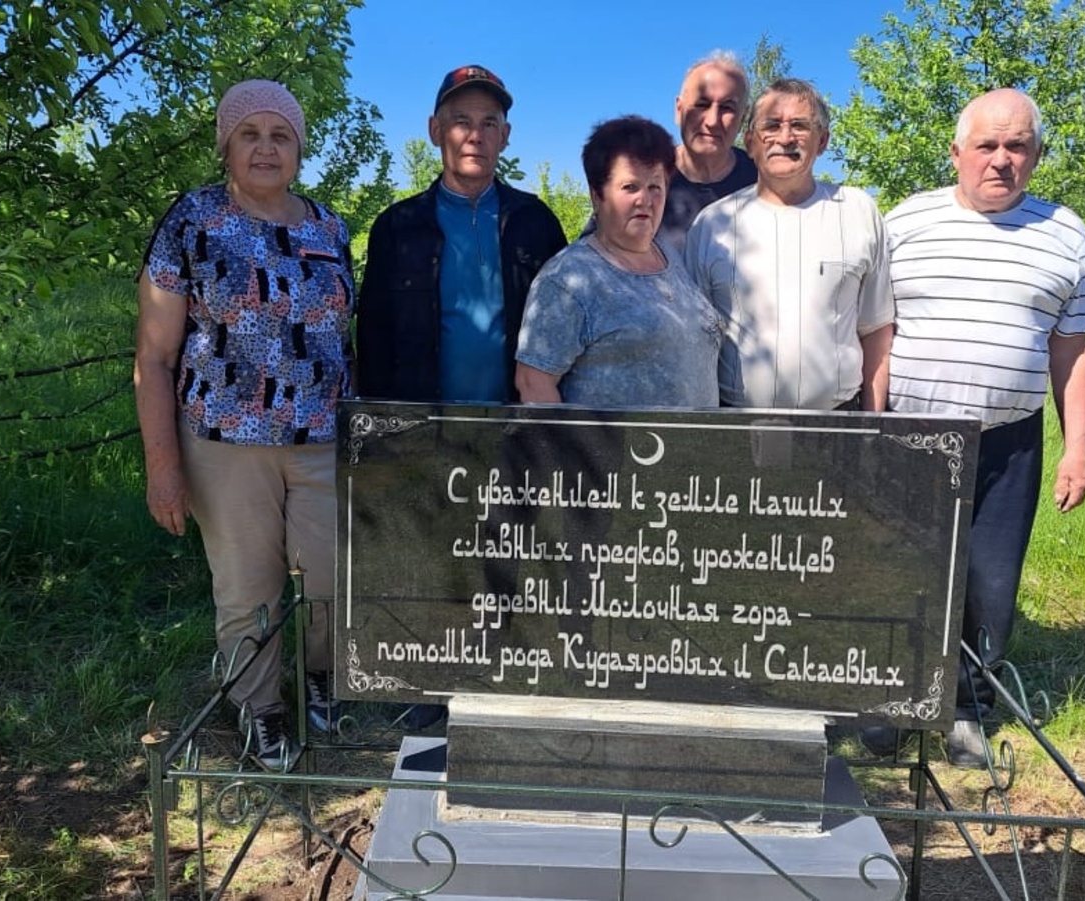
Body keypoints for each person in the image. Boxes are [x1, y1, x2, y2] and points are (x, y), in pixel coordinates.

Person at [878, 87, 1085, 769]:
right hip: (909, 435)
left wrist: (1078, 449)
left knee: (988, 583)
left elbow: (1074, 345)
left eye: (1017, 146)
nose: (1002, 160)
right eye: (987, 145)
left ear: (1035, 154)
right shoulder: (903, 223)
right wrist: (870, 421)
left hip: (1009, 440)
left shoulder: (1064, 232)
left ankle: (968, 710)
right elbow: (873, 328)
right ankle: (887, 705)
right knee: (898, 574)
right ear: (957, 153)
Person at [135, 80, 349, 770]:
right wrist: (164, 467)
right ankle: (261, 708)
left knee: (329, 575)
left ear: (300, 148)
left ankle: (322, 678)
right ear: (226, 144)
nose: (265, 147)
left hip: (320, 437)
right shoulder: (191, 222)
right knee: (246, 584)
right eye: (249, 134)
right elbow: (155, 355)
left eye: (280, 135)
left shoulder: (328, 225)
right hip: (224, 441)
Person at [356, 64, 568, 404]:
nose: (475, 136)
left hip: (517, 433)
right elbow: (373, 342)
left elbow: (563, 331)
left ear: (505, 135)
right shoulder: (397, 227)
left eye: (489, 123)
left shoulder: (536, 222)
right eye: (461, 123)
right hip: (423, 435)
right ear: (435, 130)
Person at [684, 78, 894, 413]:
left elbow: (877, 327)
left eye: (799, 126)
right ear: (751, 142)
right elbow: (692, 340)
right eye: (771, 125)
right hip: (735, 425)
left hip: (839, 424)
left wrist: (873, 426)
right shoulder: (714, 225)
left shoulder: (859, 212)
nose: (785, 138)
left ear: (822, 140)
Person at [515, 115, 720, 407]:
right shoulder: (568, 279)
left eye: (655, 187)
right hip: (613, 453)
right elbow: (533, 383)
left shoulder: (672, 258)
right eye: (630, 187)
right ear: (597, 195)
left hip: (693, 450)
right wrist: (566, 452)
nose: (645, 200)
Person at [661, 51, 758, 254]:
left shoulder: (764, 182)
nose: (712, 121)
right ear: (679, 110)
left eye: (727, 108)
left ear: (743, 117)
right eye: (702, 105)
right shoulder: (645, 177)